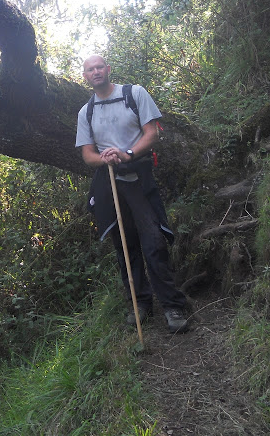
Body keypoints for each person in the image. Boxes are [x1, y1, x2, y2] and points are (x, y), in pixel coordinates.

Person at [75, 54, 189, 334]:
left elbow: (151, 134)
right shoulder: (85, 112)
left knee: (154, 241)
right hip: (110, 183)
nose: (96, 71)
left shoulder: (134, 94)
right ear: (85, 76)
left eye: (100, 66)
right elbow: (88, 154)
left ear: (109, 69)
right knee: (125, 246)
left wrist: (125, 153)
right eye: (90, 69)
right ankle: (139, 304)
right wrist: (107, 159)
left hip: (138, 177)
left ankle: (172, 306)